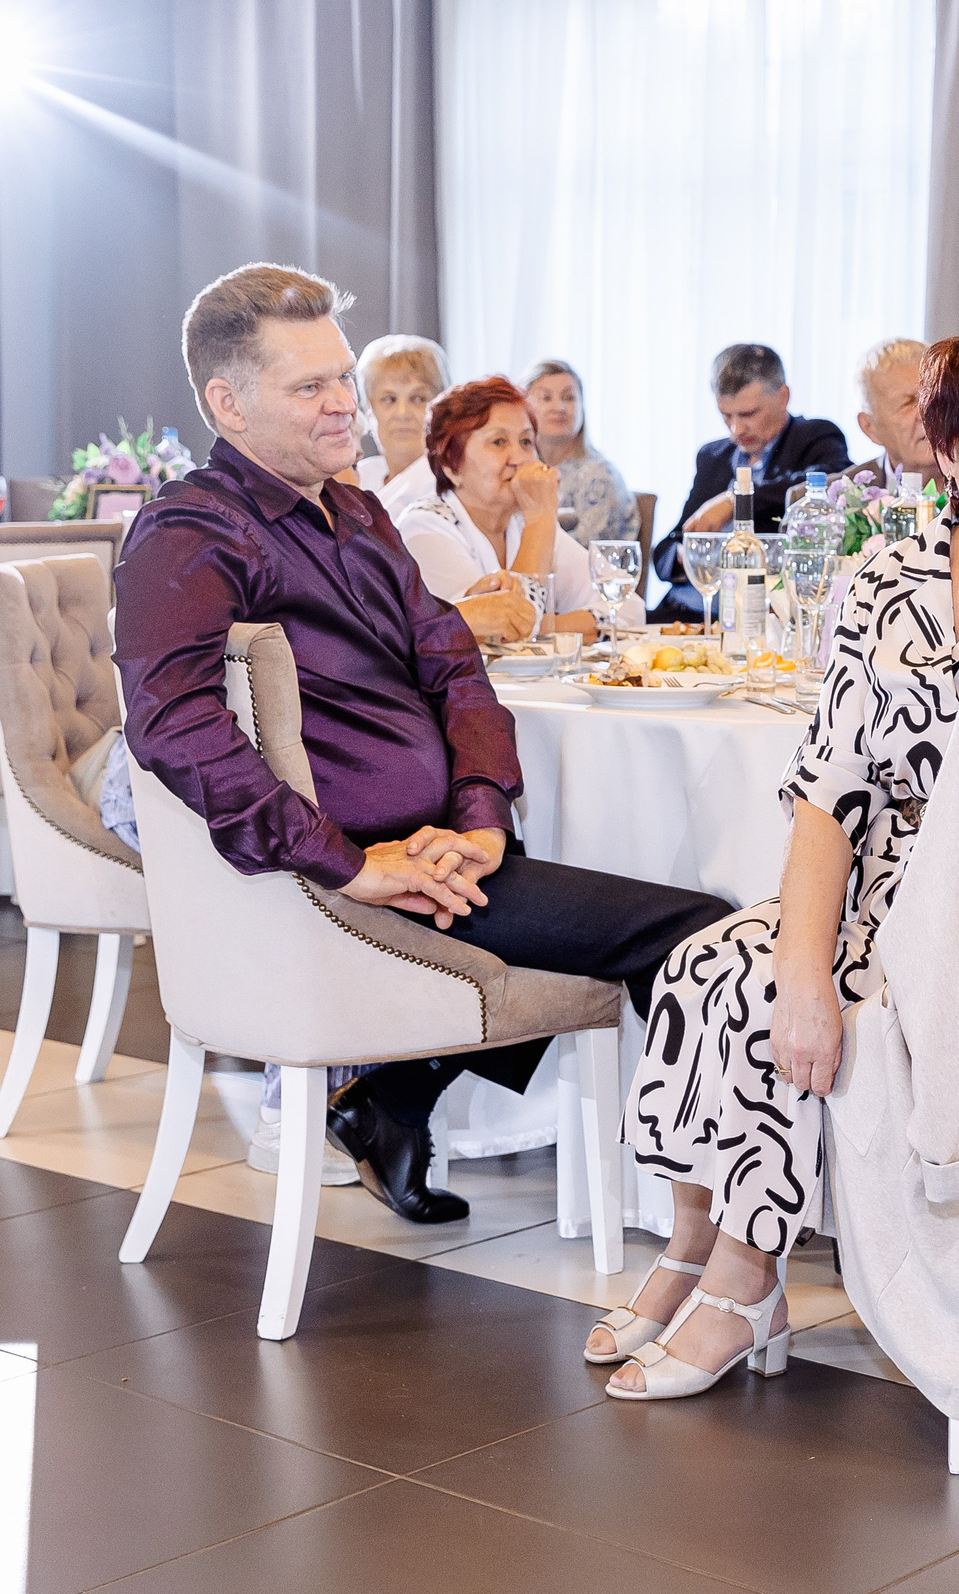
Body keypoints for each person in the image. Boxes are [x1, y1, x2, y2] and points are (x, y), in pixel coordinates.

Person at [598, 301, 959, 1400]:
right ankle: (696, 1246)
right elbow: (829, 790)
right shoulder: (884, 578)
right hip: (887, 889)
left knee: (772, 986)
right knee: (714, 966)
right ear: (945, 447)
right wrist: (802, 968)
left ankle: (743, 1279)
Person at [116, 263, 728, 1222]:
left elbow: (454, 664)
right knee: (700, 932)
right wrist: (350, 863)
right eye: (310, 386)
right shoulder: (189, 532)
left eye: (343, 377)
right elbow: (172, 723)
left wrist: (480, 821)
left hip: (441, 855)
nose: (345, 405)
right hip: (339, 889)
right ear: (227, 404)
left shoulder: (355, 510)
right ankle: (717, 1236)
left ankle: (393, 1103)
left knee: (641, 898)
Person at [394, 375, 633, 642]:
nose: (520, 459)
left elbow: (626, 606)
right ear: (451, 465)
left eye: (526, 442)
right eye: (498, 442)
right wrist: (540, 519)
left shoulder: (521, 521)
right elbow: (504, 634)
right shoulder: (424, 528)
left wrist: (543, 627)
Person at [648, 343, 851, 619]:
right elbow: (666, 548)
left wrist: (737, 500)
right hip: (686, 609)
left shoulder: (814, 437)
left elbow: (832, 479)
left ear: (783, 396)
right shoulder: (713, 456)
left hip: (759, 615)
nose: (736, 430)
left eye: (748, 414)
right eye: (726, 415)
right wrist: (687, 555)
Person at [525, 360, 640, 546]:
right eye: (546, 398)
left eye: (569, 398)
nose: (559, 407)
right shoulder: (518, 471)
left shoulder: (600, 476)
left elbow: (584, 553)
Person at [337, 332, 446, 495]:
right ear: (368, 409)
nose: (402, 414)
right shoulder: (353, 480)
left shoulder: (454, 487)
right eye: (389, 399)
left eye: (418, 399)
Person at [855, 336, 939, 492]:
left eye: (933, 396)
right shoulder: (832, 498)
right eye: (907, 403)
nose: (926, 412)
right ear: (869, 427)